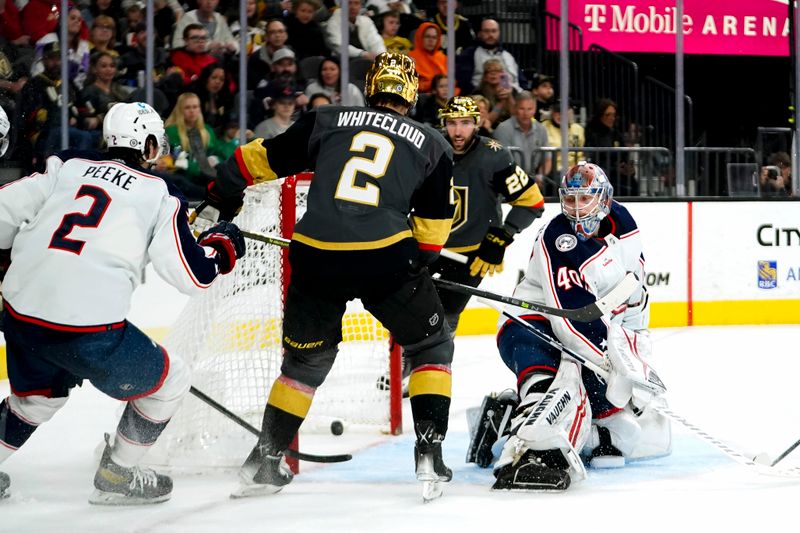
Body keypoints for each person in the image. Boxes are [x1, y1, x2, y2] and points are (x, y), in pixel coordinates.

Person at [201, 52, 457, 498]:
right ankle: (430, 453)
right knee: (431, 344)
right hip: (385, 258)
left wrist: (220, 196)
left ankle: (266, 458)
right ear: (412, 92)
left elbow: (253, 160)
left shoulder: (328, 119)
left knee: (304, 362)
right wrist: (413, 266)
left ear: (372, 86)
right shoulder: (432, 142)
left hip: (315, 255)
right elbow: (433, 238)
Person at [0, 102, 246, 503]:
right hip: (88, 331)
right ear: (148, 144)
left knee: (35, 401)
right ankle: (118, 475)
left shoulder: (65, 165)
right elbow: (194, 276)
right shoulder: (161, 193)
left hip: (20, 313)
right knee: (170, 382)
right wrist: (222, 247)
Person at [467, 162, 670, 491]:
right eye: (569, 199)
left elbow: (634, 295)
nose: (575, 208)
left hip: (589, 338)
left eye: (584, 198)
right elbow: (572, 319)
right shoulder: (558, 238)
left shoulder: (624, 226)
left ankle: (501, 417)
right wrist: (609, 362)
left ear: (604, 200)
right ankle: (530, 452)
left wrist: (636, 359)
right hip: (532, 328)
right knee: (555, 386)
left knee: (624, 427)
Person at [430, 95, 544, 334]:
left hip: (470, 257)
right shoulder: (430, 149)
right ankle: (403, 368)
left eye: (465, 123)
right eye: (452, 123)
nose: (458, 131)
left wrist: (502, 235)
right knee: (413, 313)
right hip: (428, 250)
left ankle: (432, 367)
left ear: (477, 123)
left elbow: (532, 201)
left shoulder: (494, 156)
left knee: (446, 319)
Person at [493, 91, 552, 193]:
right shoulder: (503, 129)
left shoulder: (541, 129)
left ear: (535, 109)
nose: (526, 113)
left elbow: (547, 159)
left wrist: (540, 176)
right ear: (515, 108)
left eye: (530, 109)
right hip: (508, 181)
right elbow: (501, 162)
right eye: (522, 109)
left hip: (534, 181)